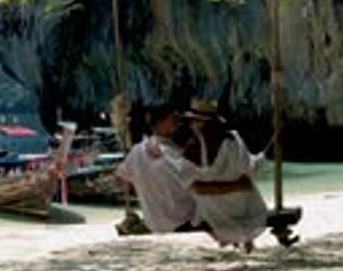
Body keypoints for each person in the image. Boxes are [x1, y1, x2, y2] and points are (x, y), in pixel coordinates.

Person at [172, 99, 268, 250]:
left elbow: (194, 187)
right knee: (247, 190)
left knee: (196, 202)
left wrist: (212, 188)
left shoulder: (192, 149)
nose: (192, 126)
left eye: (194, 122)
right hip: (240, 204)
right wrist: (258, 161)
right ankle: (245, 242)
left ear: (202, 124)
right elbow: (248, 170)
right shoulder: (233, 141)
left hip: (212, 211)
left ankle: (232, 241)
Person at [114, 103, 197, 234]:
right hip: (181, 219)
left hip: (157, 223)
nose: (178, 123)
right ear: (159, 122)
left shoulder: (138, 151)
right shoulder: (170, 152)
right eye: (173, 120)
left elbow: (120, 180)